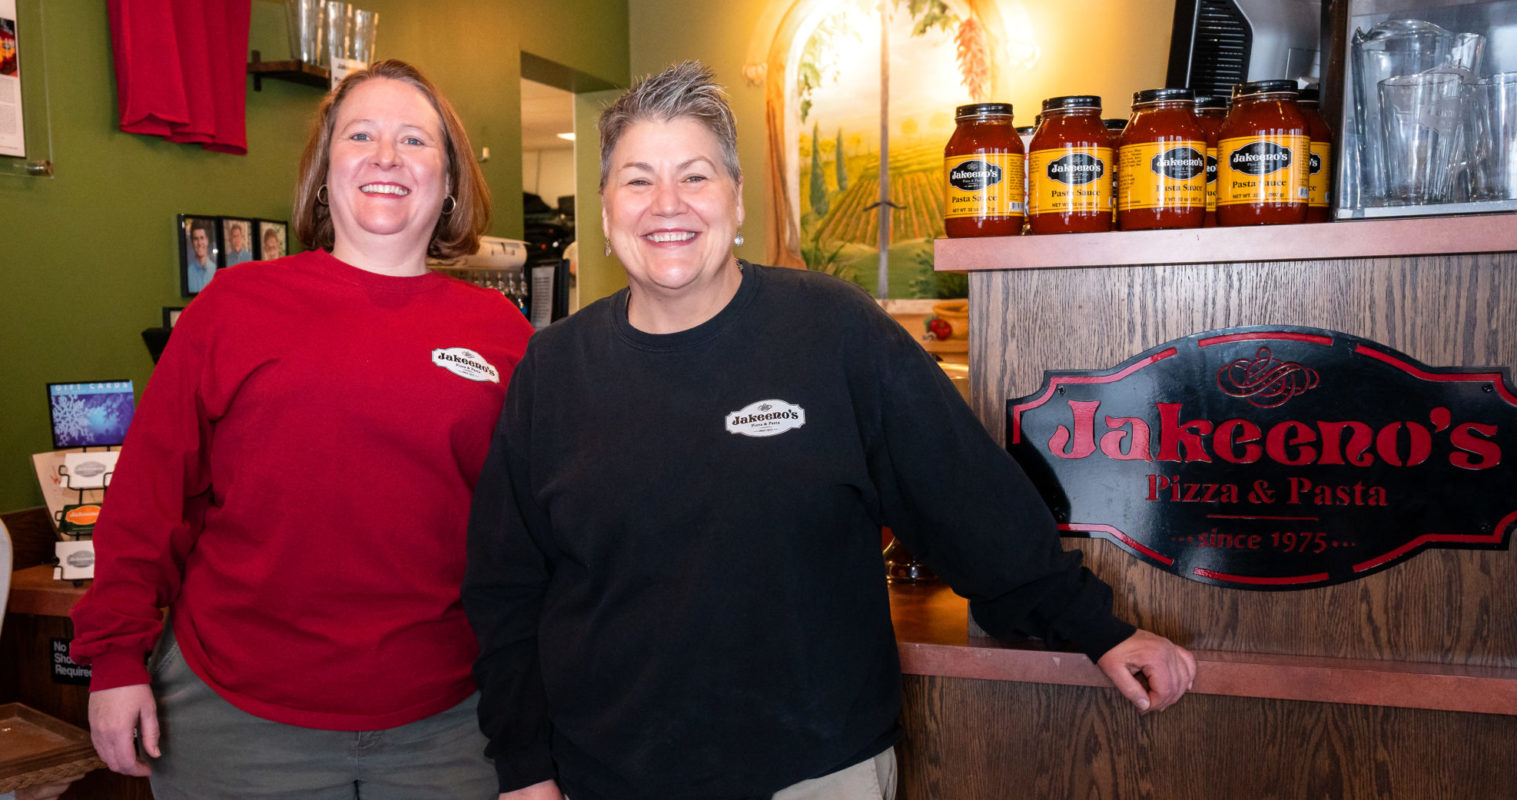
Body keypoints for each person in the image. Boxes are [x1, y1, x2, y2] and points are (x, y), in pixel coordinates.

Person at [463, 61, 1196, 800]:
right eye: (637, 179)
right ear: (605, 206)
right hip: (608, 774)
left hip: (817, 772)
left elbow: (963, 497)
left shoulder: (833, 331)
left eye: (695, 176)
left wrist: (1094, 628)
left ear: (737, 199)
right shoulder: (552, 371)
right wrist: (525, 769)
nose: (666, 204)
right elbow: (507, 589)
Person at [70, 59, 533, 799]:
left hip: (448, 725)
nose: (386, 157)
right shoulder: (234, 305)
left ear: (448, 183)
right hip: (234, 720)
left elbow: (531, 536)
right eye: (362, 135)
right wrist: (115, 659)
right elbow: (147, 499)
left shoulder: (503, 334)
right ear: (326, 170)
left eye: (415, 140)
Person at [184, 222, 216, 293]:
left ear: (207, 240)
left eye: (202, 238)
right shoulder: (187, 274)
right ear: (192, 242)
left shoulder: (216, 272)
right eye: (196, 239)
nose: (199, 243)